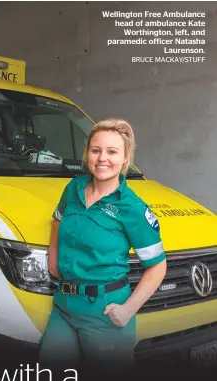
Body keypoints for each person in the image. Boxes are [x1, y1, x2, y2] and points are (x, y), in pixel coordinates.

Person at [39, 118, 167, 378]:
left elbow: (157, 266)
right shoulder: (73, 188)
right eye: (96, 150)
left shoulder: (132, 208)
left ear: (125, 158)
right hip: (64, 306)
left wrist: (127, 311)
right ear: (87, 153)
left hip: (105, 312)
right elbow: (57, 221)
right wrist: (54, 261)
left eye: (112, 151)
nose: (102, 158)